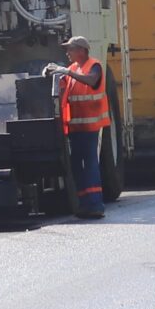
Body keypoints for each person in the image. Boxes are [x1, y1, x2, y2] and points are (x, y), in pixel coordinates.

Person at [56, 35, 111, 219]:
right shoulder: (73, 68)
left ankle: (96, 204)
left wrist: (68, 73)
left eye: (70, 49)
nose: (68, 53)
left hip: (90, 125)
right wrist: (53, 73)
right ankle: (85, 204)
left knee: (89, 164)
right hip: (75, 126)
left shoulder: (94, 66)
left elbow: (91, 81)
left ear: (82, 50)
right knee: (76, 165)